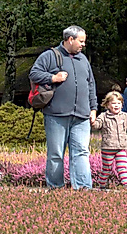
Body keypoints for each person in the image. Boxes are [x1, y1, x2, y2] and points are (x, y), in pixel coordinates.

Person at [28, 25, 99, 190]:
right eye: (81, 41)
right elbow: (34, 74)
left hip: (81, 115)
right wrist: (53, 77)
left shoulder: (84, 59)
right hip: (56, 115)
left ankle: (83, 189)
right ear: (70, 39)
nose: (83, 45)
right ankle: (55, 189)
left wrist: (93, 108)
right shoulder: (49, 56)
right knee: (56, 154)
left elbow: (91, 85)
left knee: (81, 152)